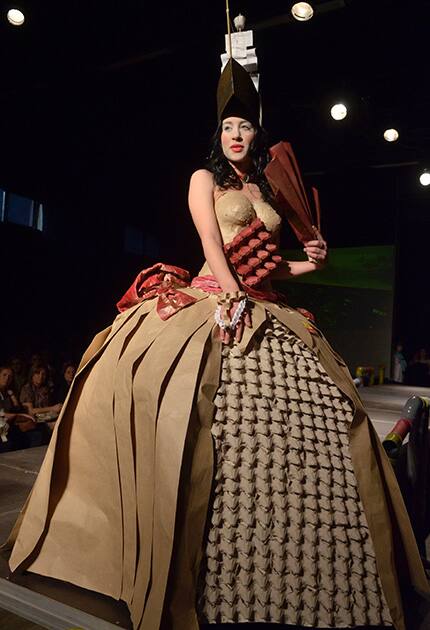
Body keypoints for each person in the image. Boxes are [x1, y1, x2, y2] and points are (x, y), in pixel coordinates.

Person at [6, 58, 429, 630]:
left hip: (264, 298)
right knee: (190, 408)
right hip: (214, 293)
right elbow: (211, 240)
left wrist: (310, 263)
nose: (237, 135)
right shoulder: (202, 180)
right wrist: (232, 299)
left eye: (246, 127)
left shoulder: (263, 188)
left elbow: (271, 264)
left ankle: (293, 560)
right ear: (218, 133)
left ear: (257, 133)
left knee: (320, 418)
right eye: (229, 127)